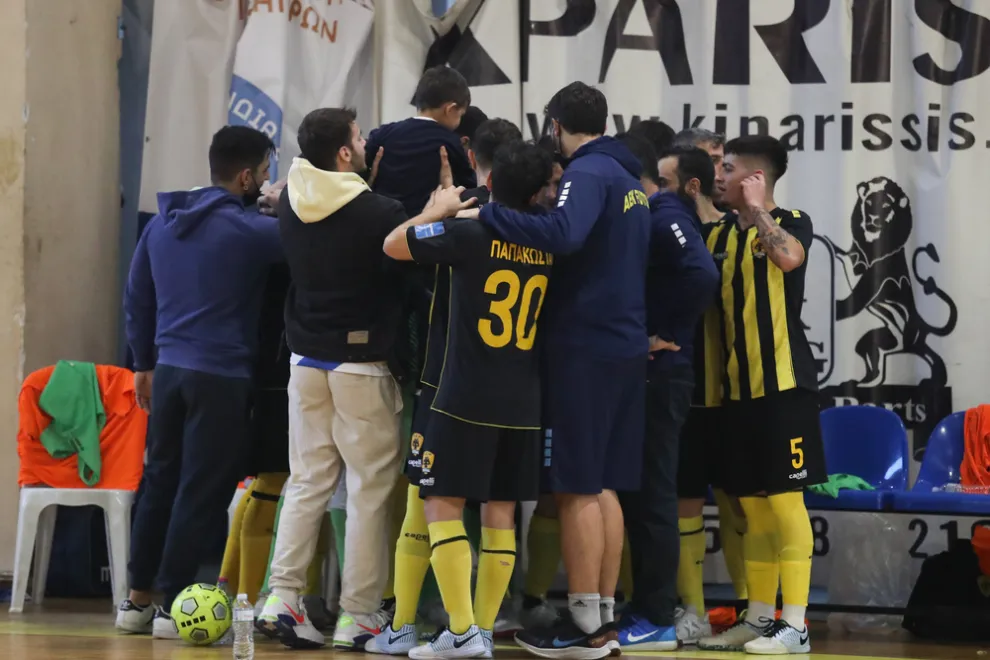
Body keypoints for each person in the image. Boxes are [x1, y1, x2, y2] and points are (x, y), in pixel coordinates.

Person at [256, 108, 474, 650]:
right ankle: (359, 613)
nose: (366, 140)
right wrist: (437, 209)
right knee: (369, 490)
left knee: (307, 482)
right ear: (347, 155)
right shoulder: (382, 212)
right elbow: (403, 250)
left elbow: (328, 206)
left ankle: (281, 598)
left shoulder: (291, 199)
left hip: (304, 362)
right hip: (362, 365)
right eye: (358, 137)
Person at [476, 82, 652, 658]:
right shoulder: (630, 180)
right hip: (623, 344)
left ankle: (582, 626)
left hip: (585, 347)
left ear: (555, 126)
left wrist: (494, 216)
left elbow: (563, 233)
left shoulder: (590, 173)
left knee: (575, 484)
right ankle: (599, 616)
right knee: (602, 484)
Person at [377, 140, 553, 659]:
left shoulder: (472, 231)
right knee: (500, 512)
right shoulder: (551, 242)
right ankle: (477, 629)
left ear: (490, 180)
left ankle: (459, 629)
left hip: (461, 391)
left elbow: (392, 244)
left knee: (437, 502)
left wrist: (437, 209)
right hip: (523, 399)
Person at [116, 126, 282, 638]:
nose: (267, 181)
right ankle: (174, 606)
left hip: (167, 373)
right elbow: (311, 240)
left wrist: (143, 362)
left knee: (159, 480)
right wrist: (284, 204)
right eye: (266, 173)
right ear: (246, 176)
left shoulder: (161, 226)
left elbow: (136, 298)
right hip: (222, 377)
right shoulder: (250, 232)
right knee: (201, 490)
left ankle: (137, 601)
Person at [697, 135, 826, 655]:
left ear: (756, 178)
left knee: (785, 505)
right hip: (737, 393)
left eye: (727, 168)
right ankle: (758, 617)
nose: (718, 176)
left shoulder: (791, 222)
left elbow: (790, 259)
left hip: (783, 390)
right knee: (752, 510)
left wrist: (759, 214)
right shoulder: (718, 236)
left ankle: (794, 626)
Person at [612, 138, 719, 651]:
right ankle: (644, 607)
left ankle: (656, 615)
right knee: (639, 494)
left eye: (668, 181)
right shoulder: (662, 212)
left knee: (654, 496)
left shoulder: (665, 212)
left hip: (664, 371)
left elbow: (702, 275)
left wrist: (664, 330)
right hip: (651, 374)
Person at [669, 128, 750, 641]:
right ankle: (692, 609)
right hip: (688, 385)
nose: (718, 176)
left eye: (725, 165)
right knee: (683, 499)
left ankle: (751, 608)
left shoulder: (745, 231)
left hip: (739, 390)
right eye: (712, 166)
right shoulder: (674, 228)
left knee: (741, 499)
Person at [366, 65, 477, 217]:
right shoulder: (450, 142)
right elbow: (468, 187)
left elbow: (362, 168)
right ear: (450, 109)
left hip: (382, 222)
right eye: (461, 115)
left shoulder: (384, 133)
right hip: (426, 228)